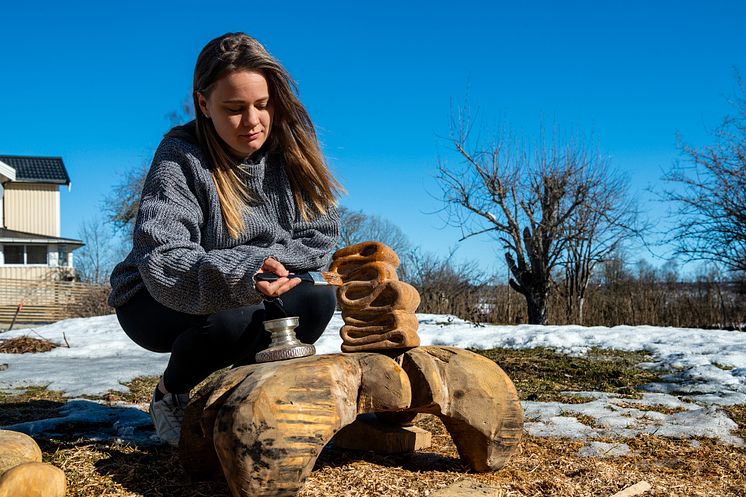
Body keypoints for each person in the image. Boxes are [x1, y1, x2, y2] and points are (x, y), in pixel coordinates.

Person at [108, 32, 342, 446]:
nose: (252, 122)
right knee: (230, 317)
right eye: (233, 109)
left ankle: (244, 397)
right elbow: (163, 254)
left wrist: (272, 266)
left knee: (316, 299)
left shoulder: (291, 151)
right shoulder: (181, 156)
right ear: (203, 104)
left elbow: (319, 236)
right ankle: (171, 395)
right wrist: (245, 269)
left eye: (262, 105)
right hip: (154, 296)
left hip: (255, 284)